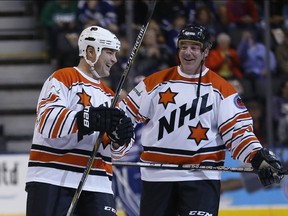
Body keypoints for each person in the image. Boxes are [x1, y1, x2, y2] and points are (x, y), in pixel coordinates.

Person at [118, 24, 285, 216]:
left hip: (201, 179)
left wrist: (257, 157)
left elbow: (238, 133)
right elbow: (124, 117)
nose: (188, 52)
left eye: (194, 47)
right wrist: (113, 128)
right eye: (184, 46)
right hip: (157, 178)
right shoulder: (155, 82)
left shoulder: (222, 89)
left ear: (205, 51)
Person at [25, 26, 134, 216]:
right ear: (91, 51)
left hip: (98, 181)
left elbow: (117, 152)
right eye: (109, 52)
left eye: (115, 53)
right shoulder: (62, 78)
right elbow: (46, 122)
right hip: (51, 177)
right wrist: (87, 119)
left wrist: (121, 138)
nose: (114, 59)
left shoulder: (111, 97)